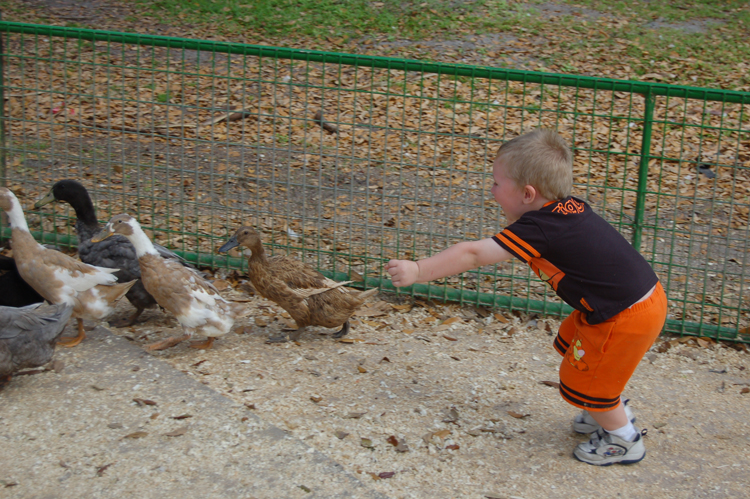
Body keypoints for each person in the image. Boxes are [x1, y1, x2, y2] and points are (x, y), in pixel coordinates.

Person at [386, 129, 667, 466]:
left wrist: (418, 270)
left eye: (496, 183)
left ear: (527, 193)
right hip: (628, 302)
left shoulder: (541, 228)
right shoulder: (565, 211)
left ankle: (622, 438)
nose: (491, 190)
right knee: (581, 352)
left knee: (586, 378)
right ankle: (602, 410)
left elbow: (473, 255)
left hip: (625, 314)